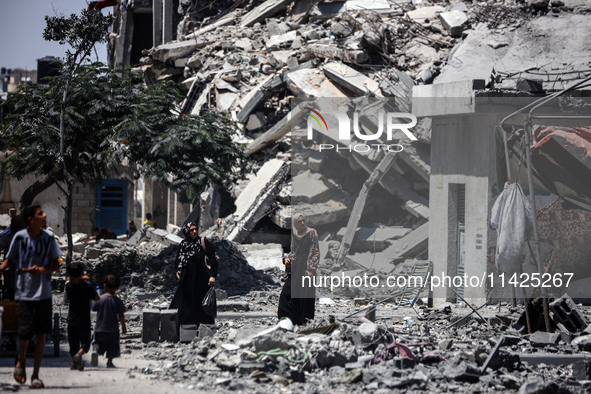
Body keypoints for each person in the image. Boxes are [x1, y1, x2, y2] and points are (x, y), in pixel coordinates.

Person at [0, 205, 62, 388]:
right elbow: (9, 260)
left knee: (41, 334)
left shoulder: (49, 238)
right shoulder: (19, 238)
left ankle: (35, 374)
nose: (45, 216)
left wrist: (42, 270)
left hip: (43, 293)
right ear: (31, 220)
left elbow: (56, 265)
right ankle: (21, 361)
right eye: (40, 214)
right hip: (23, 292)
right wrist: (1, 269)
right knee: (24, 332)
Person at [170, 222, 218, 329]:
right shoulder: (183, 244)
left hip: (201, 281)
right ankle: (182, 328)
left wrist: (213, 276)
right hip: (186, 282)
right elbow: (177, 261)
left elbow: (213, 259)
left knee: (201, 305)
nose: (194, 232)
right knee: (185, 305)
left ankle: (205, 329)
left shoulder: (203, 243)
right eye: (191, 230)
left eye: (195, 229)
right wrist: (177, 272)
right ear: (187, 231)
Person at [277, 213, 319, 326]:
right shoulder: (295, 234)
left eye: (303, 220)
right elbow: (293, 251)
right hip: (296, 267)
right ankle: (288, 319)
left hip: (306, 266)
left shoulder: (311, 233)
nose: (302, 223)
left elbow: (315, 252)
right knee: (287, 293)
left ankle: (304, 322)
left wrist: (311, 269)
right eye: (299, 221)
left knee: (304, 295)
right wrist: (287, 259)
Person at [65, 262, 100, 371]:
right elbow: (96, 298)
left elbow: (68, 280)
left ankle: (74, 363)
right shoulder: (87, 286)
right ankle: (79, 355)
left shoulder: (68, 286)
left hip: (72, 319)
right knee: (85, 343)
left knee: (73, 343)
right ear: (82, 273)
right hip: (84, 319)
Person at [90, 274, 127, 368]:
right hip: (112, 330)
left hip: (99, 328)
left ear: (104, 286)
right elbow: (121, 315)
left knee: (97, 343)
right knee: (112, 347)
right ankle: (109, 362)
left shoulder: (100, 299)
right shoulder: (117, 301)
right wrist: (123, 327)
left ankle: (95, 352)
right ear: (117, 288)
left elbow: (93, 308)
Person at [0, 215, 27, 300]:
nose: (17, 229)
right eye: (15, 227)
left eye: (20, 227)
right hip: (12, 278)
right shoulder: (8, 236)